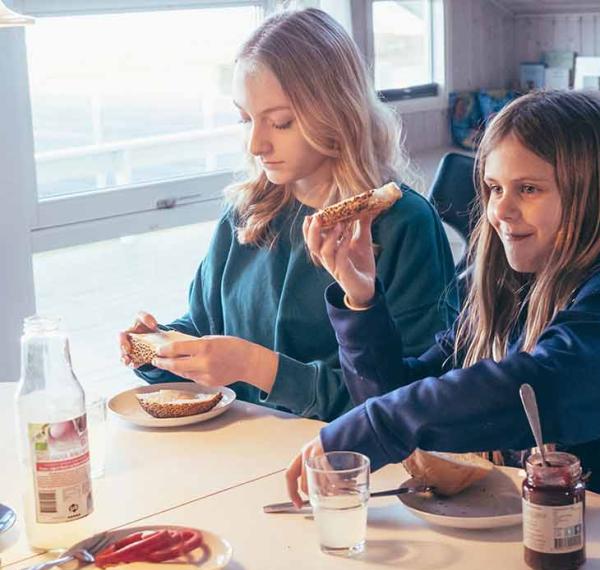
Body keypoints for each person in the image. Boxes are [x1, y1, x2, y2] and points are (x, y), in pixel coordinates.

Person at [119, 8, 458, 422]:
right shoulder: (244, 212)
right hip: (240, 454)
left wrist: (258, 368)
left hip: (343, 467)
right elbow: (204, 325)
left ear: (336, 112)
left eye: (280, 123)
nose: (256, 144)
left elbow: (414, 398)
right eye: (245, 119)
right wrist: (159, 349)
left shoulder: (404, 223)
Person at [286, 89, 600, 502]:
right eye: (494, 188)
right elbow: (398, 393)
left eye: (528, 189)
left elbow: (542, 382)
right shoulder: (509, 292)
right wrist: (361, 300)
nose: (500, 212)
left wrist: (380, 424)